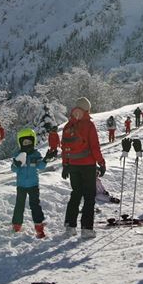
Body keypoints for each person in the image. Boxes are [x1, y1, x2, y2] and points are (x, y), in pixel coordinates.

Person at [61, 97, 106, 239]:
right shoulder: (89, 125)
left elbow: (65, 148)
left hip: (73, 165)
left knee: (75, 194)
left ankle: (70, 226)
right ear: (87, 109)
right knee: (89, 197)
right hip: (87, 166)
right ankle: (87, 229)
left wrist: (65, 165)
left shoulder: (69, 125)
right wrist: (102, 163)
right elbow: (94, 147)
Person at [11, 128, 51, 238]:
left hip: (33, 185)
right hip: (21, 186)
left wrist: (46, 159)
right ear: (21, 143)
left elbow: (40, 166)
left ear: (33, 142)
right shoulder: (18, 155)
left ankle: (39, 227)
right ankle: (16, 225)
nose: (27, 144)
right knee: (19, 205)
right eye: (25, 142)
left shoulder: (36, 154)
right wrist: (16, 165)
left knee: (35, 205)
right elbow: (13, 169)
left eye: (29, 142)